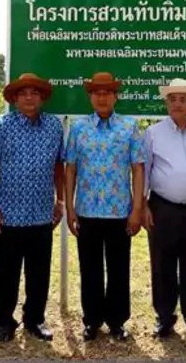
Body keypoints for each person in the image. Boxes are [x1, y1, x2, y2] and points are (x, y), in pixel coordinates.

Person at [0, 73, 64, 342]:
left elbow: (58, 166)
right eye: (23, 93)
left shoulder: (53, 126)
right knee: (6, 272)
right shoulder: (2, 124)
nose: (29, 97)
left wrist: (60, 200)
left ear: (41, 98)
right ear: (15, 99)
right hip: (8, 212)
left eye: (34, 93)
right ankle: (4, 323)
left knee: (39, 272)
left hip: (42, 212)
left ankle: (35, 320)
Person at [65, 72, 145, 341]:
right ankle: (92, 321)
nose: (102, 97)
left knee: (119, 268)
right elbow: (71, 169)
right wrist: (70, 207)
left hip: (120, 211)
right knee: (90, 269)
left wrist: (136, 209)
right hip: (87, 210)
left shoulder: (129, 127)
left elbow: (138, 168)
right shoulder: (78, 128)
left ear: (115, 96)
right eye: (97, 92)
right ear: (90, 97)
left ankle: (117, 321)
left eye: (107, 92)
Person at [143, 78, 186, 341]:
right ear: (166, 103)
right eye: (172, 99)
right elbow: (145, 170)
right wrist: (144, 205)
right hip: (163, 208)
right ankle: (164, 318)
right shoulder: (153, 132)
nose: (177, 104)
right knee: (163, 265)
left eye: (183, 99)